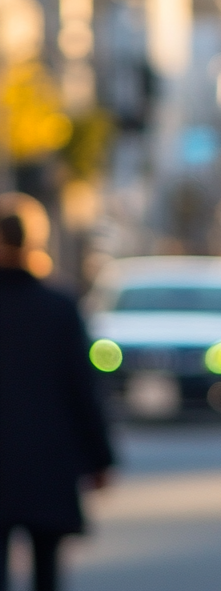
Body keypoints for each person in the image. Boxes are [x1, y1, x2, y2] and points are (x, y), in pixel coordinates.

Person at [0, 212, 114, 591]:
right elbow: (82, 388)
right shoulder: (59, 307)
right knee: (47, 568)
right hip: (47, 459)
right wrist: (99, 458)